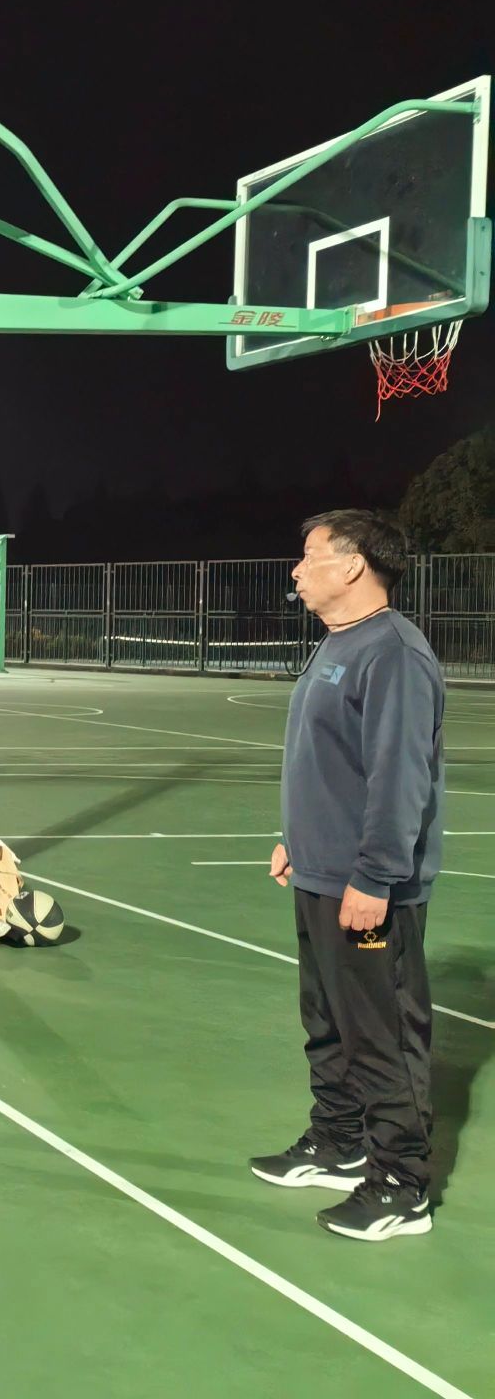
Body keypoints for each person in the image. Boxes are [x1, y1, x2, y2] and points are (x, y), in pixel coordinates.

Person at [252, 509, 444, 1242]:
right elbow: (330, 762)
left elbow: (399, 775)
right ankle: (339, 1141)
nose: (297, 570)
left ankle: (402, 1183)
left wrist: (376, 876)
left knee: (381, 1033)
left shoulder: (393, 653)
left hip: (366, 885)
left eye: (310, 556)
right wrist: (297, 841)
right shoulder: (338, 644)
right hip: (319, 871)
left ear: (355, 564)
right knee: (328, 1023)